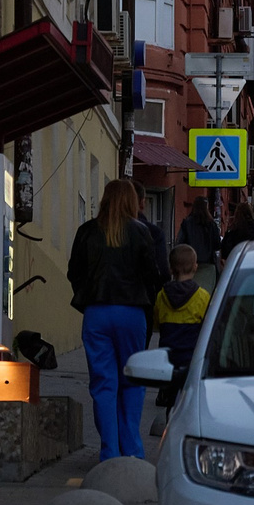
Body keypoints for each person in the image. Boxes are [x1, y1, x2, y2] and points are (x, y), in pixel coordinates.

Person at [68, 179, 168, 461]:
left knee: (103, 384)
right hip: (131, 313)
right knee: (133, 380)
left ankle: (109, 452)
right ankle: (132, 450)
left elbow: (74, 272)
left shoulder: (87, 231)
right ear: (132, 201)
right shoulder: (141, 232)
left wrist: (88, 298)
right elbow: (153, 275)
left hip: (97, 313)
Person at [152, 243, 212, 416]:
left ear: (171, 269)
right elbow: (208, 328)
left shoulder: (162, 296)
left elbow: (156, 323)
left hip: (168, 361)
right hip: (192, 361)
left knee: (171, 404)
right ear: (195, 267)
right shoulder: (202, 296)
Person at [177, 199, 222, 292]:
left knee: (189, 293)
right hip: (208, 266)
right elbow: (217, 245)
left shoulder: (187, 223)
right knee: (205, 294)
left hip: (190, 264)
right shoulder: (211, 224)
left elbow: (180, 243)